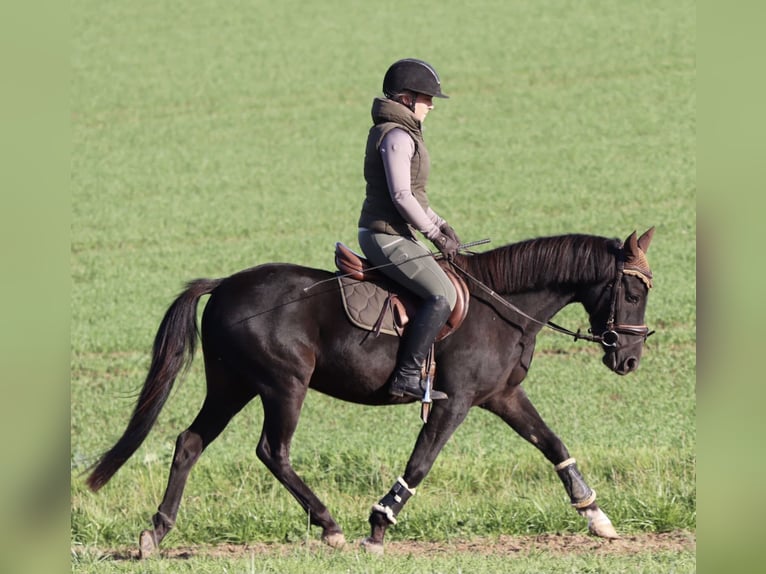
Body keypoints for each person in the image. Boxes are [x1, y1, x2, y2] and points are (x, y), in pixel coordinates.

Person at [357, 58, 462, 401]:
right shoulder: (397, 136)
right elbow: (401, 197)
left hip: (396, 234)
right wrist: (434, 234)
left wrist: (442, 223)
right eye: (426, 97)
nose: (431, 104)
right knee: (443, 294)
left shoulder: (403, 133)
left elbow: (416, 195)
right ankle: (405, 376)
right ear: (406, 98)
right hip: (384, 235)